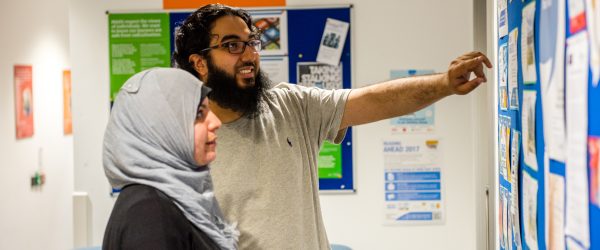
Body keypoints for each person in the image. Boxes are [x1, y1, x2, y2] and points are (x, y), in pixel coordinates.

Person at [172, 4, 493, 249]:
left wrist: (444, 83)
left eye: (252, 42)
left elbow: (374, 101)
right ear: (199, 64)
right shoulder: (179, 146)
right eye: (232, 45)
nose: (250, 55)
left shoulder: (291, 106)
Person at [102, 68, 237, 250]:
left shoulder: (172, 198)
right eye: (199, 114)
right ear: (160, 130)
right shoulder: (149, 213)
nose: (215, 122)